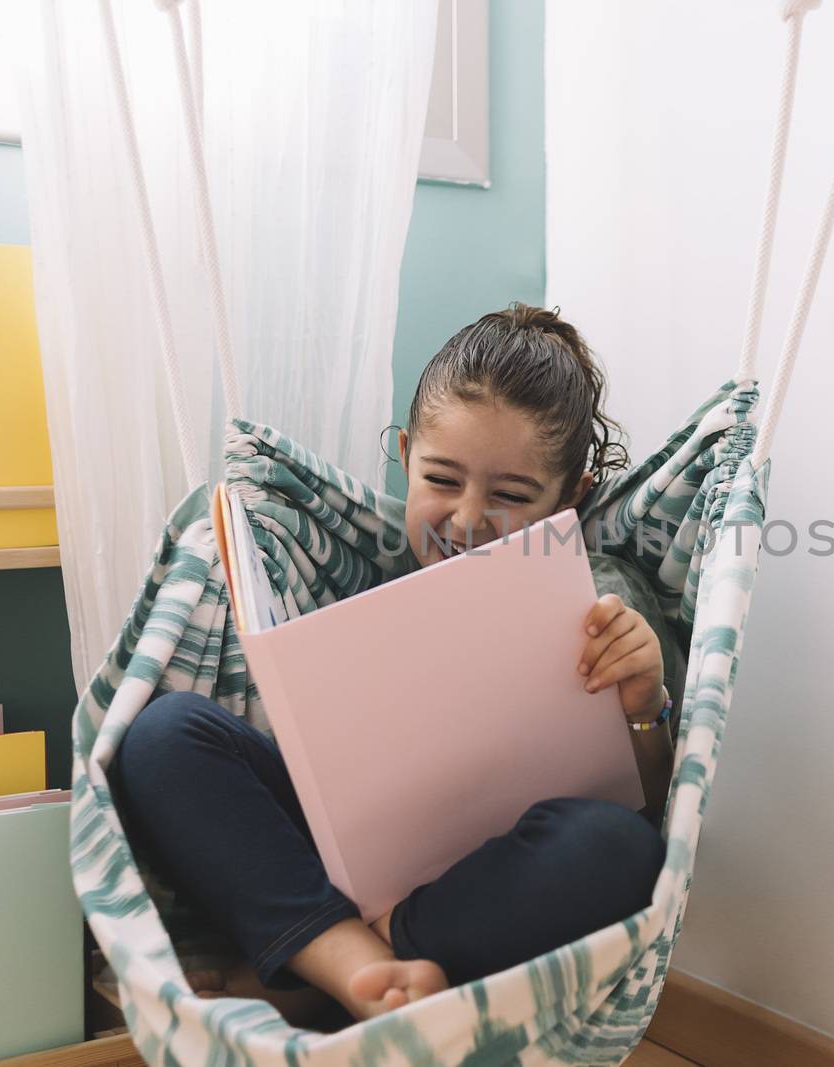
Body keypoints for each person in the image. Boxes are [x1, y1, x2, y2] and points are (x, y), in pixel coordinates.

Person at [110, 304, 687, 1029]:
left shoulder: (599, 593)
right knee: (166, 736)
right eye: (442, 479)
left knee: (617, 848)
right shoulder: (376, 580)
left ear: (570, 494)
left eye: (510, 495)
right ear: (407, 455)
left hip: (481, 888)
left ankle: (347, 962)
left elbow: (656, 802)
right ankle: (351, 964)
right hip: (344, 860)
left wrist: (644, 701)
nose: (468, 518)